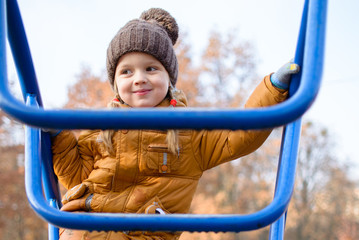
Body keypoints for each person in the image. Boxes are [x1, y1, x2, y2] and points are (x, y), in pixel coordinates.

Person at [50, 8, 299, 240]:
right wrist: (57, 132)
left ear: (169, 78)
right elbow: (76, 177)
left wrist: (274, 87)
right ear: (115, 82)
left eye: (151, 68)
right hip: (85, 230)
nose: (139, 79)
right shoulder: (100, 128)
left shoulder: (188, 132)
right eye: (126, 71)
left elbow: (238, 136)